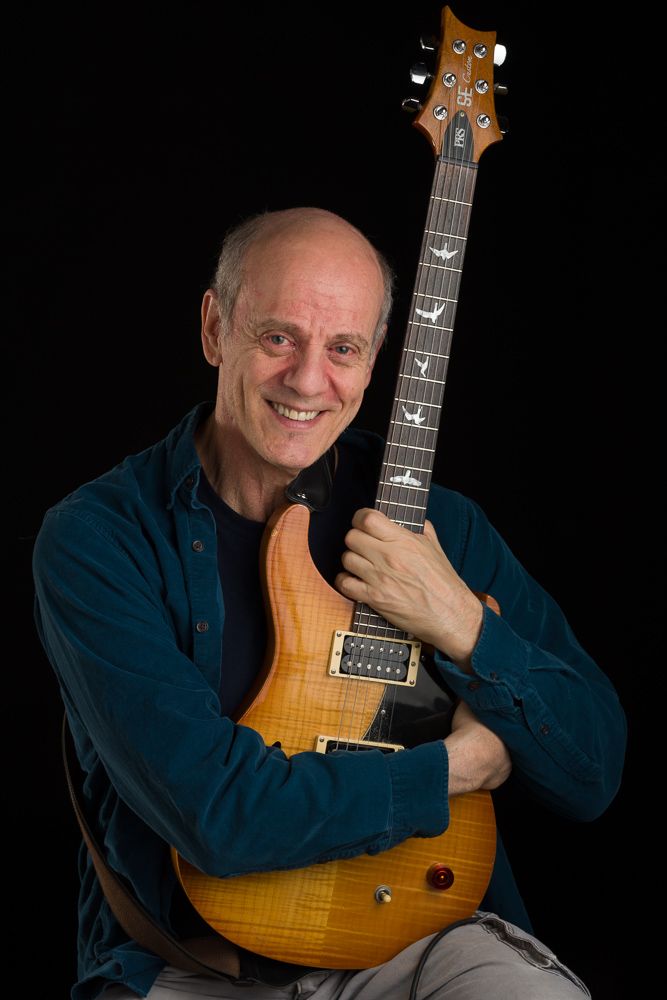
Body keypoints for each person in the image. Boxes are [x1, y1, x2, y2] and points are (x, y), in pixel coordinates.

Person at [32, 207, 626, 1000]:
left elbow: (591, 775)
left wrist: (463, 626)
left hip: (421, 946)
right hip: (197, 965)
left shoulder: (439, 527)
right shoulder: (101, 540)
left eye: (342, 348)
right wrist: (448, 772)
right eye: (278, 337)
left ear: (375, 359)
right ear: (215, 328)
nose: (308, 381)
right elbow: (218, 815)